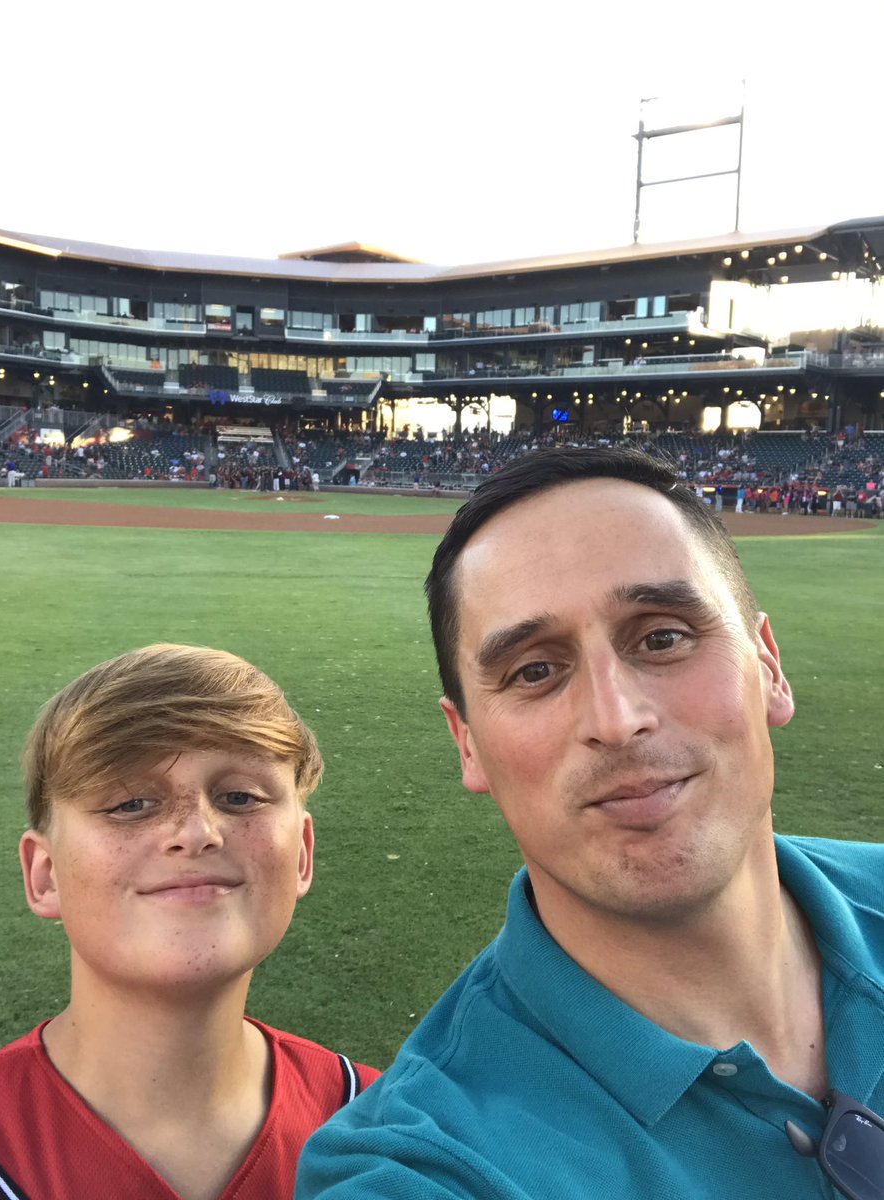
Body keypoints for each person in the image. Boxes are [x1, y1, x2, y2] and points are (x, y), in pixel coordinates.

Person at [297, 448, 884, 1199]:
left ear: (767, 666)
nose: (616, 718)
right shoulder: (424, 1168)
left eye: (662, 636)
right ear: (467, 743)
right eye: (534, 671)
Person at [0, 644, 378, 1200]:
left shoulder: (382, 1128)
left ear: (302, 855)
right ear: (45, 875)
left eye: (239, 797)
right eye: (130, 804)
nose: (196, 833)